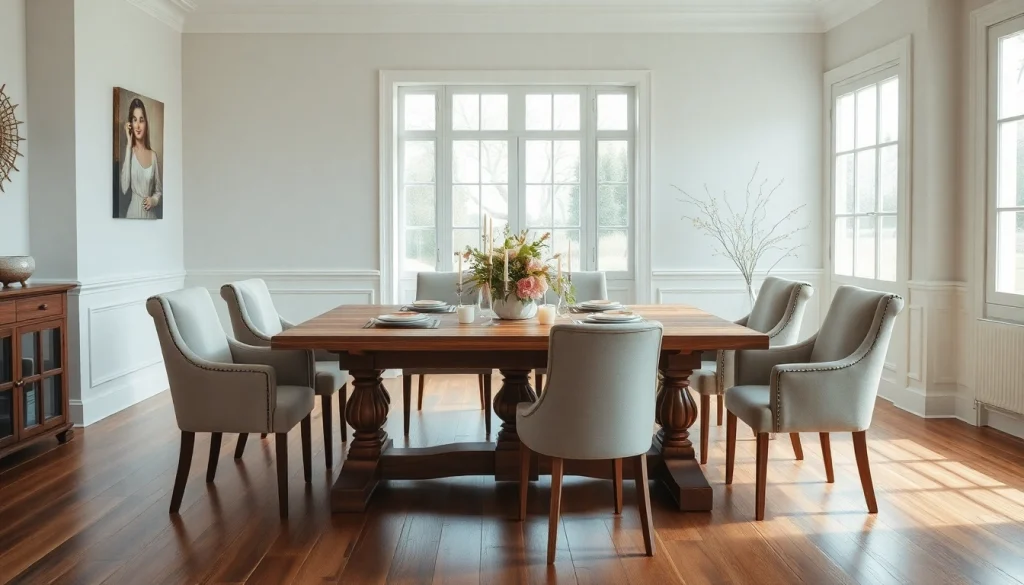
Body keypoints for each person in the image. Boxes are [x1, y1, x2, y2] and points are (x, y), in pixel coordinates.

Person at [119, 97, 162, 219]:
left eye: (141, 120)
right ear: (130, 124)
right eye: (134, 120)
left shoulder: (153, 156)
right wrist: (129, 143)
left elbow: (159, 191)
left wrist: (153, 200)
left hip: (150, 217)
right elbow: (124, 187)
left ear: (146, 123)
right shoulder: (130, 152)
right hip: (133, 213)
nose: (138, 125)